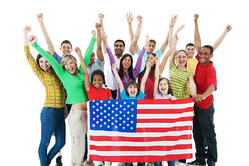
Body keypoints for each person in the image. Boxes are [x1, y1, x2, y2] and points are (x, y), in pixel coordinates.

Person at [29, 30, 96, 166]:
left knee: (85, 140)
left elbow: (87, 55)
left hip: (88, 113)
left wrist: (94, 38)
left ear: (75, 63)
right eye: (67, 64)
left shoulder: (80, 72)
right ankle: (75, 164)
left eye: (71, 63)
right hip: (76, 114)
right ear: (64, 66)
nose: (69, 66)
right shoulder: (63, 74)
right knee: (77, 141)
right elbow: (52, 60)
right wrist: (35, 45)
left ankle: (80, 162)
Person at [187, 14, 232, 166]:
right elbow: (198, 41)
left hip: (206, 106)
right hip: (196, 105)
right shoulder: (199, 61)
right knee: (197, 133)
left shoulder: (211, 69)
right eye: (201, 53)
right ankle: (200, 159)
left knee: (209, 133)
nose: (203, 55)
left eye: (206, 54)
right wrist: (195, 22)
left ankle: (211, 160)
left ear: (211, 55)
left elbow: (212, 86)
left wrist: (202, 96)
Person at [24, 26, 66, 166]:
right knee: (45, 142)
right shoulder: (41, 74)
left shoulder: (58, 72)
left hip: (60, 112)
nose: (44, 64)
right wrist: (25, 34)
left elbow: (51, 49)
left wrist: (65, 108)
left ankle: (46, 163)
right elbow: (28, 56)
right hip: (48, 111)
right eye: (41, 62)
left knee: (61, 142)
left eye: (46, 61)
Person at [103, 20, 148, 99]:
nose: (127, 61)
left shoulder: (134, 72)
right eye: (125, 60)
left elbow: (140, 58)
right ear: (121, 62)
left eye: (129, 60)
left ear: (131, 63)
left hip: (133, 101)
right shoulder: (117, 72)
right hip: (120, 101)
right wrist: (105, 41)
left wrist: (145, 46)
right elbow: (110, 56)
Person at [153, 55, 176, 166]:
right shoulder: (156, 96)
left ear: (168, 86)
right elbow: (157, 77)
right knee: (158, 158)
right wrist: (157, 63)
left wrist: (173, 100)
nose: (162, 86)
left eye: (164, 84)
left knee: (170, 157)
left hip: (169, 131)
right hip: (157, 131)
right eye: (160, 84)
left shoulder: (171, 97)